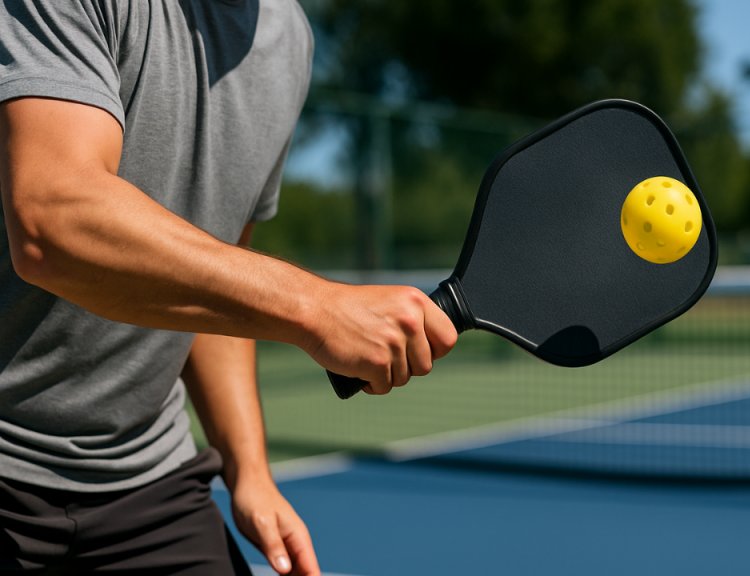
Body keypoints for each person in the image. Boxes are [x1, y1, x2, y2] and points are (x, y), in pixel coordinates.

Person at [0, 1, 458, 574]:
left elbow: (216, 278)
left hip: (147, 478)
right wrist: (316, 307)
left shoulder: (288, 38)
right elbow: (53, 220)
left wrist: (250, 472)